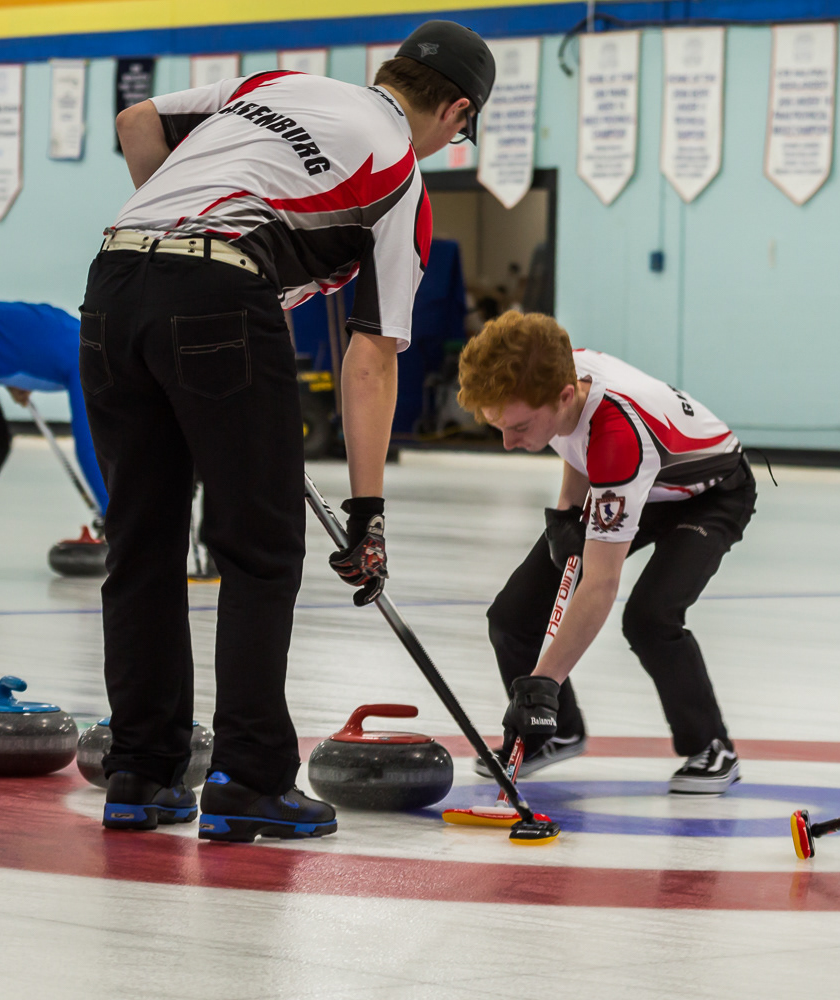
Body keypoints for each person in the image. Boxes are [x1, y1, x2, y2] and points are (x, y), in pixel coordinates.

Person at [84, 21, 495, 840]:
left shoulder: (280, 84)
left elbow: (138, 122)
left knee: (142, 542)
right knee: (259, 550)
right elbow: (371, 358)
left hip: (113, 283)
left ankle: (140, 772)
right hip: (220, 293)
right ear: (456, 111)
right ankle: (249, 778)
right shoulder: (399, 176)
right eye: (460, 132)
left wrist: (175, 247)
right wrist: (367, 514)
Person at [458, 312, 755, 795]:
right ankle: (559, 732)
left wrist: (543, 683)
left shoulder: (619, 436)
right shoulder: (558, 374)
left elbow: (600, 585)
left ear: (564, 396)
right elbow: (578, 442)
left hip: (709, 494)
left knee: (650, 617)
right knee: (512, 617)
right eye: (498, 428)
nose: (509, 443)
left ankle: (712, 746)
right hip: (637, 481)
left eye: (519, 427)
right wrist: (565, 514)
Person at [0, 300, 108, 519]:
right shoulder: (90, 363)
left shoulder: (79, 334)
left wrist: (13, 375)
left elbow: (19, 330)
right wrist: (112, 514)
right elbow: (90, 448)